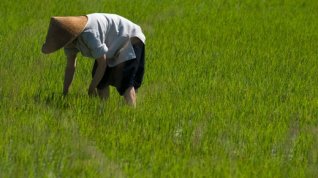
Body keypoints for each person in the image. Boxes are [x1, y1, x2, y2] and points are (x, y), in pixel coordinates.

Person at [42, 13, 146, 107]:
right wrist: (65, 93)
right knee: (101, 82)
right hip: (112, 45)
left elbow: (102, 63)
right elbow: (70, 67)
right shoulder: (68, 40)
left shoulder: (89, 34)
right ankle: (104, 111)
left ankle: (131, 116)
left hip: (129, 37)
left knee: (126, 82)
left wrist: (91, 89)